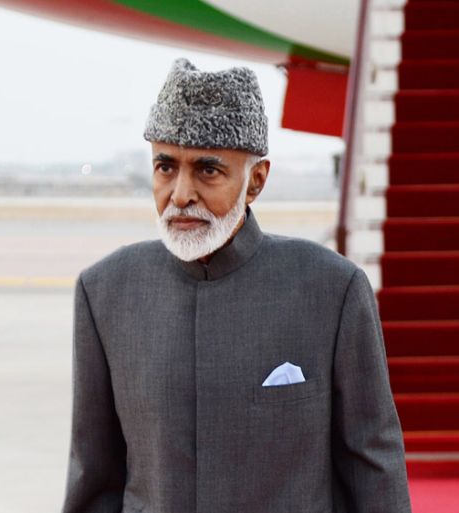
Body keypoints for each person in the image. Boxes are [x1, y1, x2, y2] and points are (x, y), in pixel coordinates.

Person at [61, 58, 411, 513]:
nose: (181, 194)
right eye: (165, 167)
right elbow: (94, 478)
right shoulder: (105, 291)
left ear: (256, 181)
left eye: (208, 170)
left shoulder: (331, 289)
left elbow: (373, 465)